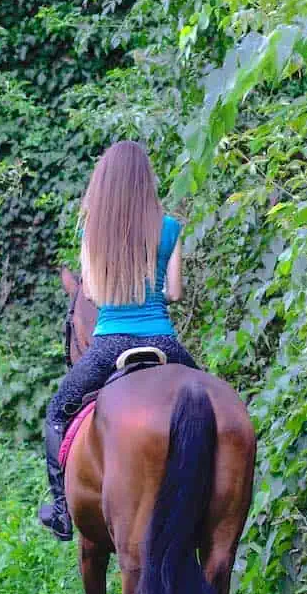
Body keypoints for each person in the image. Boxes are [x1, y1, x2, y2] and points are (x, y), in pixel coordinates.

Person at [37, 140, 198, 541]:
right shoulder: (170, 227)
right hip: (164, 340)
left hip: (110, 345)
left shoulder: (92, 228)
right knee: (209, 405)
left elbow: (90, 292)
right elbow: (174, 292)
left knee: (58, 412)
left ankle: (60, 510)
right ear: (146, 180)